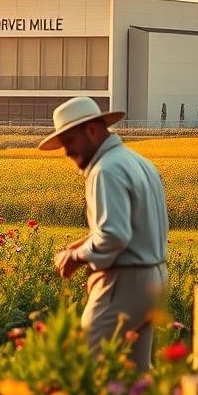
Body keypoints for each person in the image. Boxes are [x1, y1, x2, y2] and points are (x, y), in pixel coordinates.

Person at [38, 95, 169, 372]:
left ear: (92, 130)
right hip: (154, 278)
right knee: (136, 374)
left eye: (69, 141)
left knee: (87, 367)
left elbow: (114, 236)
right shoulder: (137, 162)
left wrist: (76, 255)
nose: (66, 152)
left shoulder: (105, 170)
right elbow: (130, 227)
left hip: (123, 282)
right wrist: (85, 241)